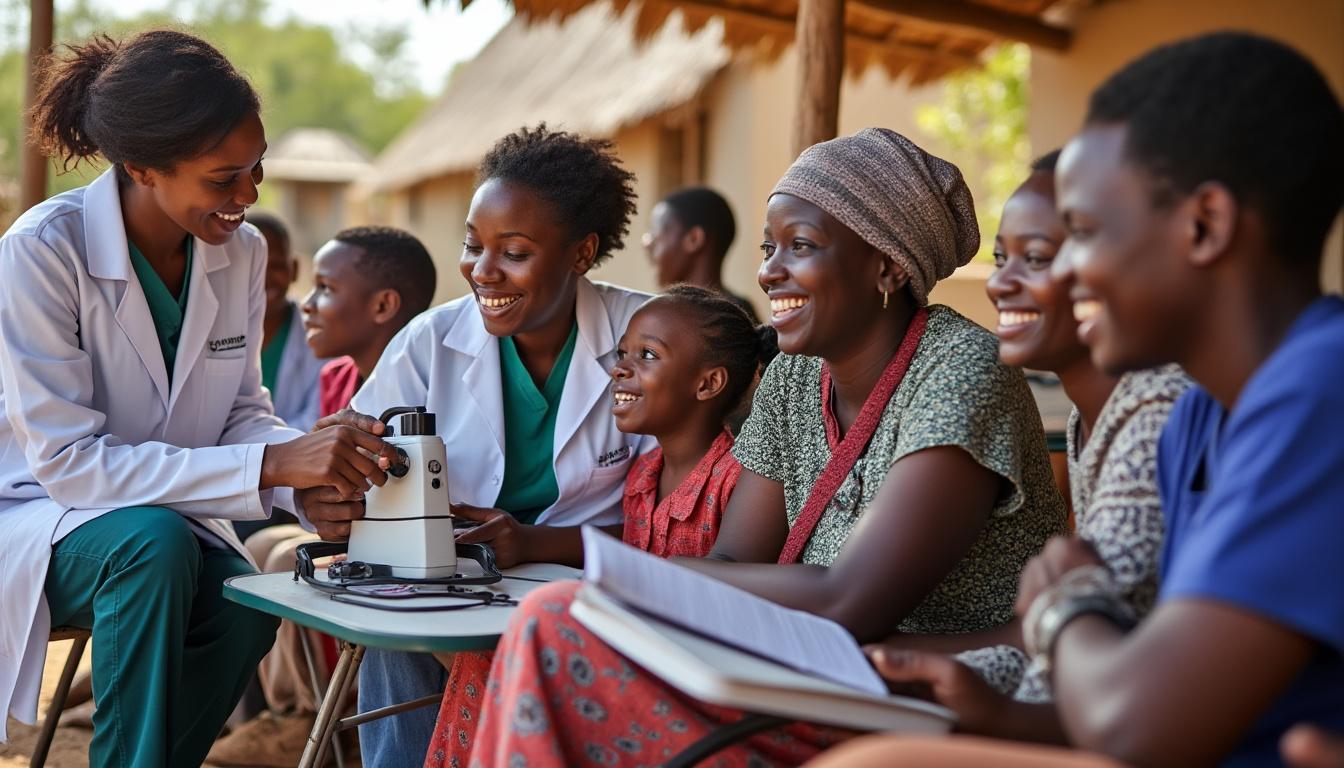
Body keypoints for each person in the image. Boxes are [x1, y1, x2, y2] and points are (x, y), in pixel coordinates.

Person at [808, 31, 1344, 768]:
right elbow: (1152, 696)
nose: (1070, 274)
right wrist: (999, 714)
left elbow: (1139, 722)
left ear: (1205, 226)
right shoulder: (1203, 416)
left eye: (1084, 235)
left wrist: (1068, 604)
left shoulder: (1319, 394)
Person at [461, 127, 1067, 767]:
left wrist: (623, 578)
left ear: (887, 264)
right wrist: (625, 582)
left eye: (800, 246)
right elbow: (731, 558)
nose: (769, 271)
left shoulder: (960, 371)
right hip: (818, 666)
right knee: (531, 635)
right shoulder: (796, 376)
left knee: (558, 629)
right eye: (768, 246)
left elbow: (850, 599)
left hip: (935, 689)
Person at [0, 30, 396, 766]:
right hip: (38, 519)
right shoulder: (42, 252)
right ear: (143, 166)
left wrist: (308, 488)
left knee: (247, 604)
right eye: (223, 179)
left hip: (164, 532)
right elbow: (70, 468)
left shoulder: (238, 252)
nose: (248, 197)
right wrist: (276, 468)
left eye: (256, 169)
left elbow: (238, 409)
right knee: (155, 545)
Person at [297, 124, 655, 768]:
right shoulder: (430, 342)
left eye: (513, 251)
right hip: (453, 584)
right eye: (472, 245)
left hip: (595, 586)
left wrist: (536, 543)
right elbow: (345, 461)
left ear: (582, 253)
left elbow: (677, 525)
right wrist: (328, 499)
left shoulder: (649, 339)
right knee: (396, 620)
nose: (482, 271)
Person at [855, 152, 1187, 739]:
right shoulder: (1095, 421)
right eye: (1003, 258)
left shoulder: (1156, 411)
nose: (1001, 283)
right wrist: (911, 669)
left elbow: (1093, 638)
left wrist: (993, 713)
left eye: (1034, 259)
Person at [424, 285, 778, 766]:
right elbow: (634, 543)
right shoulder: (643, 477)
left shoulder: (737, 480)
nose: (620, 368)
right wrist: (528, 541)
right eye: (623, 353)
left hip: (691, 676)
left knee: (528, 656)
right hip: (639, 647)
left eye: (647, 355)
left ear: (708, 383)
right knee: (484, 652)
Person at [207, 225, 438, 767]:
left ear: (383, 305)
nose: (306, 304)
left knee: (283, 554)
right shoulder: (338, 379)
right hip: (341, 528)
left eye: (325, 289)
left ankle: (312, 714)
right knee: (258, 551)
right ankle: (271, 716)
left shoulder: (419, 387)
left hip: (390, 539)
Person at [251, 211, 326, 432]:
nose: (263, 277)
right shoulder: (209, 331)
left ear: (293, 269)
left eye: (274, 266)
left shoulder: (323, 334)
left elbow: (318, 420)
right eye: (253, 266)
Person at [643, 186, 759, 321]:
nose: (646, 245)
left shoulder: (734, 320)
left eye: (656, 236)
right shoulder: (742, 312)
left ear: (694, 239)